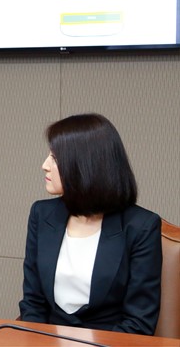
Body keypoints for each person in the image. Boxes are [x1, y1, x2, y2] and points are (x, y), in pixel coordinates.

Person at [19, 113, 162, 335]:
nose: (44, 165)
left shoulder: (141, 226)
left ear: (85, 165)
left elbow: (139, 322)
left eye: (55, 158)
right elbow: (33, 303)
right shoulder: (41, 214)